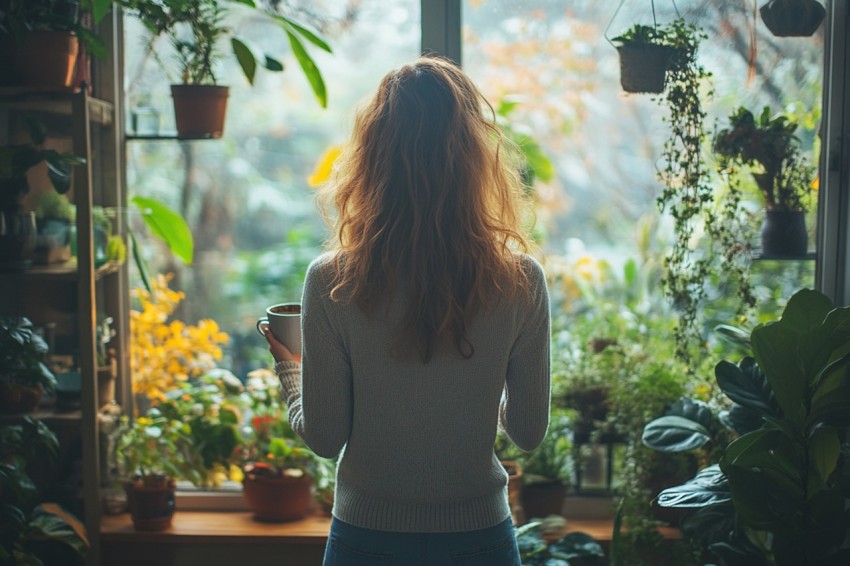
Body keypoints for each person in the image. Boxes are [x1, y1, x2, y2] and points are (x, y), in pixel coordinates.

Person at [263, 55, 551, 565]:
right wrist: (479, 391)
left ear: (372, 157)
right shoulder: (520, 279)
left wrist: (289, 365)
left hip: (366, 540)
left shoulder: (332, 281)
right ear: (475, 158)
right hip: (480, 538)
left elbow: (326, 438)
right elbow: (528, 432)